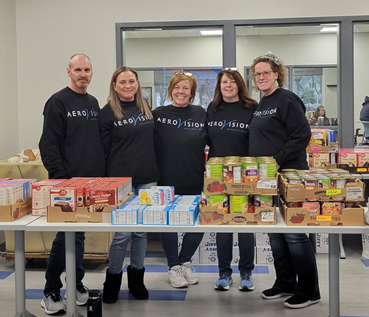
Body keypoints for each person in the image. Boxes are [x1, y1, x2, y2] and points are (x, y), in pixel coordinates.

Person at [249, 52, 321, 309]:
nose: (261, 77)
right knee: (276, 233)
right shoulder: (262, 102)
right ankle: (285, 282)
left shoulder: (287, 98)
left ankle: (309, 290)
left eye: (265, 72)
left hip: (289, 174)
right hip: (267, 177)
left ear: (277, 73)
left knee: (295, 234)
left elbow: (301, 134)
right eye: (257, 74)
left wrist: (277, 160)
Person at [39, 53, 105, 315]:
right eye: (77, 69)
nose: (83, 74)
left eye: (87, 69)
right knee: (65, 236)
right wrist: (61, 179)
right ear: (68, 72)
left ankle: (75, 283)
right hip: (67, 183)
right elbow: (49, 144)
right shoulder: (57, 101)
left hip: (91, 183)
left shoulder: (92, 102)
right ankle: (50, 291)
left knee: (78, 236)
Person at [99, 66, 159, 303]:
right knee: (122, 234)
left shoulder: (145, 106)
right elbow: (102, 151)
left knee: (141, 231)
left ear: (137, 83)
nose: (127, 86)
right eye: (122, 82)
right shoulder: (107, 113)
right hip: (120, 182)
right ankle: (112, 280)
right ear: (114, 85)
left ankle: (137, 280)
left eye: (131, 81)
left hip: (147, 178)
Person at [152, 72, 207, 288]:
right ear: (170, 90)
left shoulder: (201, 114)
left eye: (186, 88)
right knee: (169, 224)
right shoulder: (158, 114)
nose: (181, 92)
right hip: (165, 178)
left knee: (197, 223)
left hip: (194, 177)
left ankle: (185, 262)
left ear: (192, 93)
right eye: (177, 87)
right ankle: (173, 267)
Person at [206, 69, 257, 291]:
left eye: (232, 82)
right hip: (218, 176)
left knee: (245, 225)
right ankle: (224, 274)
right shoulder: (213, 109)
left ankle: (246, 273)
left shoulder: (252, 108)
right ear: (219, 86)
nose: (228, 85)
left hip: (245, 175)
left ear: (239, 85)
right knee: (222, 225)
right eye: (224, 82)